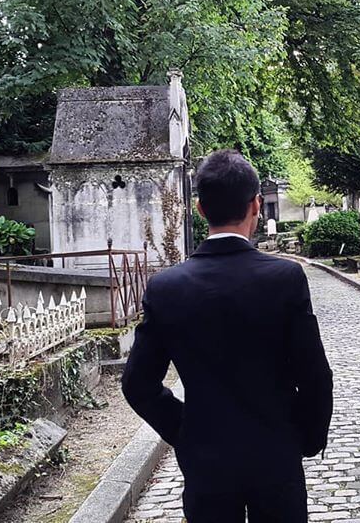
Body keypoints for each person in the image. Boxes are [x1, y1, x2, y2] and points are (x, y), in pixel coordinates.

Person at [122, 149, 334, 523]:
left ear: (200, 210)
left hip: (208, 460)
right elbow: (314, 375)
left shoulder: (166, 287)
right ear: (256, 205)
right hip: (276, 452)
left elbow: (138, 383)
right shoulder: (284, 279)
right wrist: (307, 437)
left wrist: (186, 431)